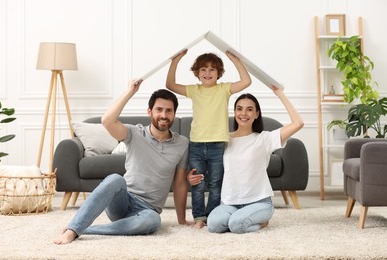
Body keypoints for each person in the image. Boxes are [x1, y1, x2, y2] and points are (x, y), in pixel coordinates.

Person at [54, 80, 193, 244]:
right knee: (115, 178)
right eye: (159, 110)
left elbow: (179, 184)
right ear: (149, 111)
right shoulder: (135, 133)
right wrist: (130, 92)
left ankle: (87, 229)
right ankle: (73, 229)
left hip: (148, 210)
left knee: (154, 221)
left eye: (169, 111)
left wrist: (182, 220)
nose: (163, 115)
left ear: (174, 114)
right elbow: (107, 120)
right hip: (123, 201)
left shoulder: (182, 143)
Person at [188, 85, 304, 234]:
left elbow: (298, 123)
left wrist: (280, 94)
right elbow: (209, 166)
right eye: (239, 108)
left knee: (237, 225)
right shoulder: (223, 139)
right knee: (214, 225)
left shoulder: (264, 139)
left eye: (249, 109)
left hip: (259, 202)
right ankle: (240, 218)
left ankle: (262, 221)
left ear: (256, 114)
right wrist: (190, 177)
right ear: (235, 112)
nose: (244, 113)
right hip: (230, 202)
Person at [166, 50, 252, 229]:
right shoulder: (194, 90)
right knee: (198, 183)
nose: (207, 73)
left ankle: (211, 217)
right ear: (197, 72)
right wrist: (176, 60)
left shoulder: (223, 89)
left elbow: (246, 81)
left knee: (215, 184)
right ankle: (199, 218)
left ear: (219, 73)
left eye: (212, 69)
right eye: (203, 69)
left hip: (218, 145)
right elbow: (170, 84)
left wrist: (234, 59)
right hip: (196, 145)